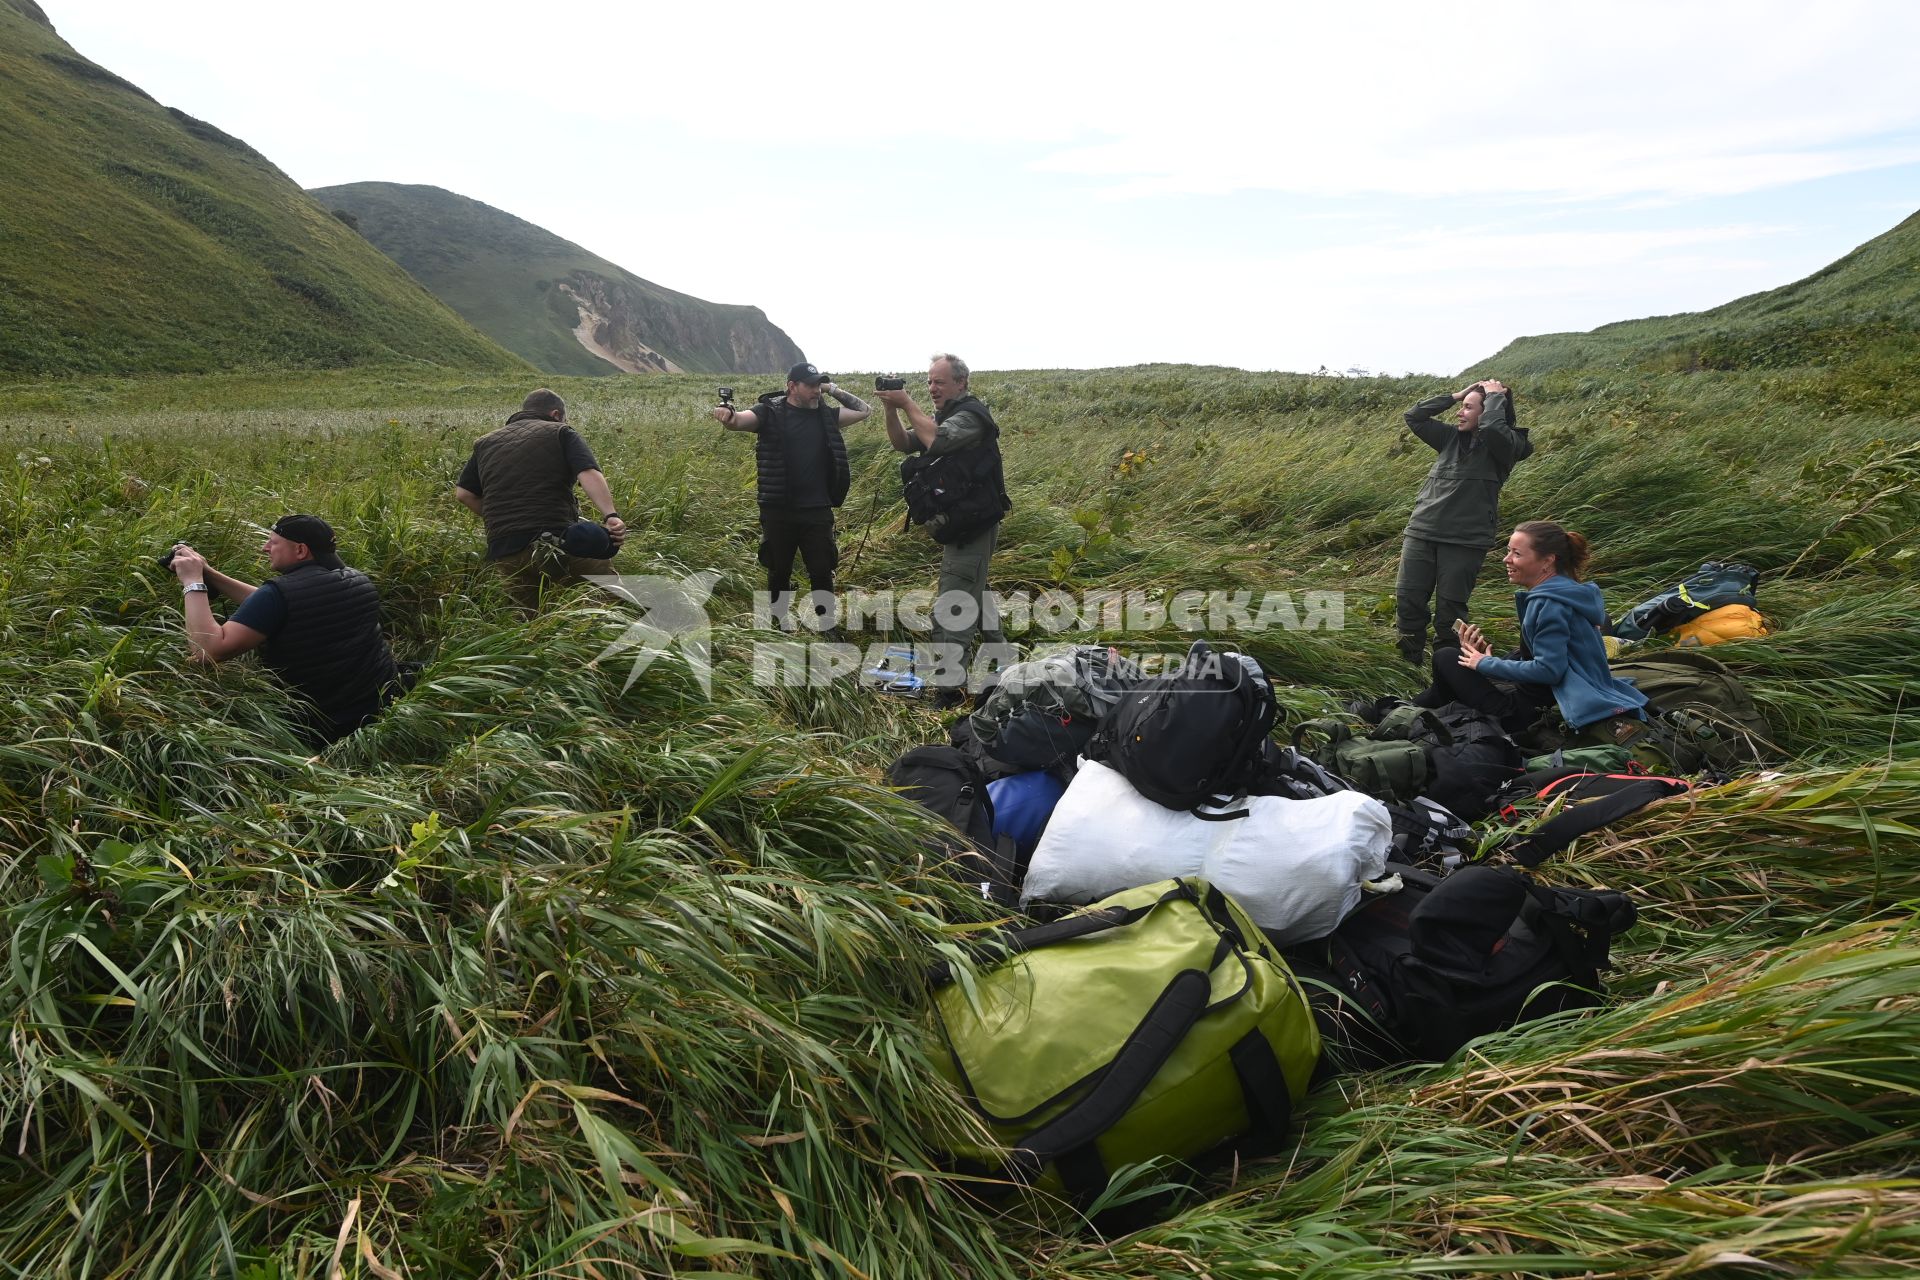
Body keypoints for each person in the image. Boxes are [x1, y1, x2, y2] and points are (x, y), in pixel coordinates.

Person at [167, 515, 401, 746]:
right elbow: (276, 604)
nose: (265, 548)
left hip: (324, 724)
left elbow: (207, 651)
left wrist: (193, 581)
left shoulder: (278, 595)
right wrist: (210, 573)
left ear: (300, 550)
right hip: (380, 701)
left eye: (273, 542)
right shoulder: (358, 580)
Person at [1421, 520, 1648, 745]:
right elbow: (1545, 655)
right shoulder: (1569, 592)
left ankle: (1412, 712)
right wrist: (1488, 660)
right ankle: (1415, 709)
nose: (1506, 559)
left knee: (1446, 657)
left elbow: (1550, 670)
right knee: (1458, 667)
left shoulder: (1549, 605)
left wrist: (1484, 665)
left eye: (1517, 554)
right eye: (1508, 551)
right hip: (1558, 694)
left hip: (1529, 713)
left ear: (1547, 561)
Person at [878, 352, 1011, 706]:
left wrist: (906, 401)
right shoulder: (945, 415)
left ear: (961, 383)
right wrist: (891, 408)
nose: (932, 388)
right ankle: (1005, 670)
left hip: (973, 526)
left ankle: (950, 692)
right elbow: (902, 443)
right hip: (966, 524)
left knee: (954, 604)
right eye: (928, 382)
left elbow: (936, 441)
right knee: (975, 595)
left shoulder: (969, 417)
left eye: (939, 381)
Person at [709, 362, 870, 628]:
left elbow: (864, 410)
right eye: (811, 385)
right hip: (778, 509)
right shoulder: (770, 413)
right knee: (778, 570)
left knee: (821, 570)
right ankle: (777, 624)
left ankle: (826, 625)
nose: (816, 391)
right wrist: (727, 414)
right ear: (792, 386)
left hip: (818, 509)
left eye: (819, 385)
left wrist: (832, 389)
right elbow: (738, 421)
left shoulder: (827, 416)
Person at [1394, 378, 1532, 666]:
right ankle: (1409, 665)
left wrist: (1495, 397)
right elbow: (1414, 416)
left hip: (1465, 541)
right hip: (1422, 531)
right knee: (1408, 602)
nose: (1460, 412)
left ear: (1491, 409)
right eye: (1462, 407)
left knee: (1450, 613)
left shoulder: (1510, 446)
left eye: (1469, 408)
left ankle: (1446, 669)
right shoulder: (1449, 438)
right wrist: (1456, 396)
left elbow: (1495, 430)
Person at [454, 388, 627, 611]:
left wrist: (502, 518)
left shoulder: (485, 443)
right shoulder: (561, 432)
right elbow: (588, 473)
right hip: (555, 540)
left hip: (505, 549)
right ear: (556, 414)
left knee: (527, 623)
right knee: (612, 597)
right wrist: (611, 515)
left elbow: (464, 494)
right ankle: (593, 636)